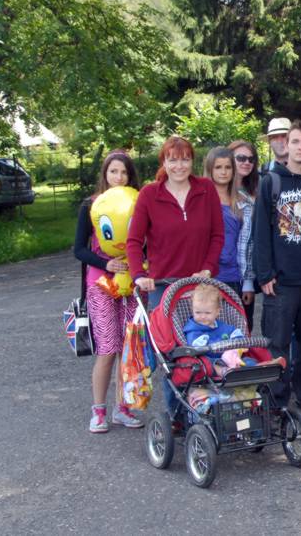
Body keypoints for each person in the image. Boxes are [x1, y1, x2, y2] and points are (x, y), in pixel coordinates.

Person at [253, 121, 301, 411]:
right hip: (281, 279)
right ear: (286, 145)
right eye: (295, 142)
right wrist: (265, 273)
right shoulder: (271, 182)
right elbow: (260, 231)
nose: (300, 147)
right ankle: (275, 399)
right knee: (278, 342)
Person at [73, 151, 144, 433]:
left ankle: (122, 408)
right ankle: (98, 410)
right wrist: (107, 263)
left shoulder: (138, 204)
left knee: (129, 348)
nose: (119, 177)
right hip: (101, 284)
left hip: (132, 284)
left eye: (124, 173)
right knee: (108, 348)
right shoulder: (90, 205)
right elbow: (78, 249)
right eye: (114, 171)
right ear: (105, 174)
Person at [128, 135, 224, 312]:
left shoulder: (206, 189)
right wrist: (138, 275)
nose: (179, 166)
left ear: (192, 162)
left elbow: (217, 235)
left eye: (185, 160)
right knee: (164, 339)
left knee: (202, 336)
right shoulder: (149, 194)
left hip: (200, 285)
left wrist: (207, 269)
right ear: (164, 163)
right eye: (172, 160)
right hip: (163, 285)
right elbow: (134, 240)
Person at [183, 283, 284, 374]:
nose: (202, 316)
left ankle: (263, 366)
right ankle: (226, 372)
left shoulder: (220, 325)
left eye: (207, 313)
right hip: (210, 361)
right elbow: (199, 348)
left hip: (230, 358)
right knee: (210, 364)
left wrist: (235, 343)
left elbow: (235, 332)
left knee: (247, 360)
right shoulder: (193, 331)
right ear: (192, 310)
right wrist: (225, 344)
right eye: (198, 312)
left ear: (217, 311)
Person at [227, 139, 259, 326]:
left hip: (242, 277)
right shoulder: (215, 192)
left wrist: (248, 282)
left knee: (244, 330)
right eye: (241, 158)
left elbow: (250, 243)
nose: (246, 162)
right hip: (218, 276)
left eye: (251, 159)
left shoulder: (254, 193)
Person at [204, 147, 243, 297]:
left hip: (234, 275)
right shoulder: (201, 199)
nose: (223, 172)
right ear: (210, 169)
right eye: (218, 167)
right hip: (208, 274)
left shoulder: (241, 201)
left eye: (228, 167)